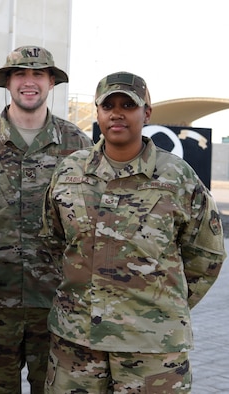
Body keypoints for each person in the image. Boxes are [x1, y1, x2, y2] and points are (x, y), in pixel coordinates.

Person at [41, 71, 226, 393]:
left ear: (146, 113)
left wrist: (161, 305)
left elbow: (206, 255)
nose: (117, 113)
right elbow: (53, 242)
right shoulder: (70, 172)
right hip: (77, 341)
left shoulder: (177, 176)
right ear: (97, 112)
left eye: (128, 104)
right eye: (108, 105)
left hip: (154, 346)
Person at [0, 45, 93, 393]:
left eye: (38, 74)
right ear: (8, 83)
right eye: (20, 74)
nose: (29, 82)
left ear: (51, 83)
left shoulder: (78, 145)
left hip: (58, 306)